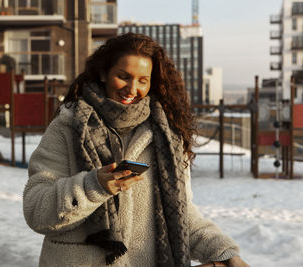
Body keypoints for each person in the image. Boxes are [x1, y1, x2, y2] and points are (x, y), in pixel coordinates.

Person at [23, 33, 250, 267]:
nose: (132, 89)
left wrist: (224, 251)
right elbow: (36, 210)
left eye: (143, 80)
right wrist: (93, 186)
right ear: (104, 73)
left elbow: (182, 215)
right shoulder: (68, 126)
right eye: (123, 76)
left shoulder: (167, 136)